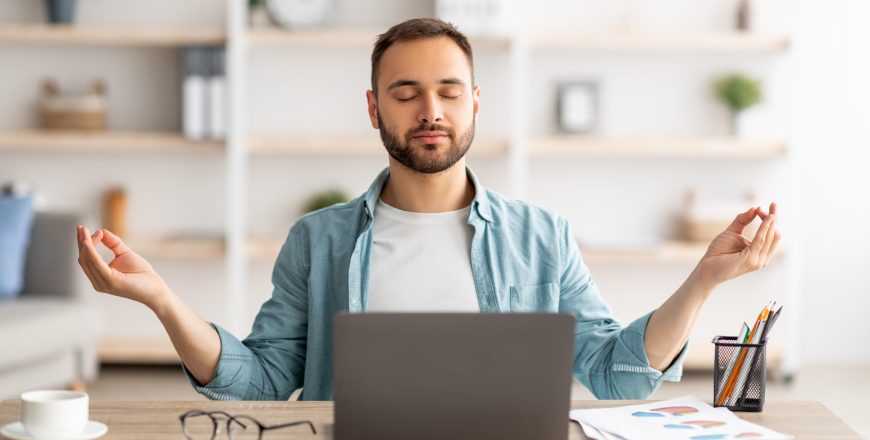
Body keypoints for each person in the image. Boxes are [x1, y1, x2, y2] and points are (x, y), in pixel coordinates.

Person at [76, 18, 781, 401]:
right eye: (405, 92)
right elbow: (258, 381)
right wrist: (165, 301)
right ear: (374, 107)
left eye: (449, 90)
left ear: (476, 102)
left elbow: (614, 373)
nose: (430, 111)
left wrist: (704, 280)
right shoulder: (317, 241)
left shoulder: (543, 236)